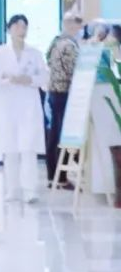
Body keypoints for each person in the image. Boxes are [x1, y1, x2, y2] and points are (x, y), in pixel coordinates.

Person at [0, 15, 49, 203]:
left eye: (24, 27)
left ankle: (30, 190)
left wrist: (29, 80)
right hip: (7, 103)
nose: (21, 30)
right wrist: (4, 76)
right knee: (10, 147)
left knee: (28, 148)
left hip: (28, 104)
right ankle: (12, 189)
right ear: (9, 29)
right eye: (17, 26)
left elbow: (44, 76)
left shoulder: (35, 53)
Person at [45, 14, 83, 187]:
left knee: (55, 134)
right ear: (69, 24)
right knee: (62, 136)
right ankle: (60, 178)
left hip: (55, 92)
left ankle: (53, 176)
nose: (79, 28)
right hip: (64, 93)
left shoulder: (56, 42)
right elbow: (75, 70)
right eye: (77, 24)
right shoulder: (69, 45)